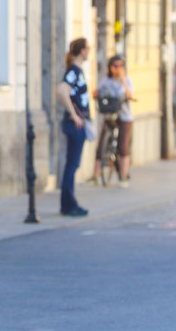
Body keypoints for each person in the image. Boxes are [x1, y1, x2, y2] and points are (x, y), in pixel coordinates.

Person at [56, 37, 90, 217]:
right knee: (72, 165)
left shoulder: (77, 71)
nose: (89, 52)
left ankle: (67, 204)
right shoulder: (74, 71)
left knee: (71, 165)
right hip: (74, 124)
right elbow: (61, 90)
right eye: (87, 49)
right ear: (82, 51)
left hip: (77, 123)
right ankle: (69, 205)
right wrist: (74, 114)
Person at [93, 55, 134, 187]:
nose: (118, 68)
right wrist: (96, 94)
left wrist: (122, 80)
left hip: (124, 116)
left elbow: (129, 94)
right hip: (109, 115)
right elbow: (97, 92)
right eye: (115, 66)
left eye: (121, 66)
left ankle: (123, 177)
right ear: (110, 67)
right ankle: (96, 176)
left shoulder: (127, 80)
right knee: (101, 145)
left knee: (123, 147)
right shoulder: (105, 81)